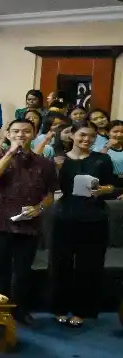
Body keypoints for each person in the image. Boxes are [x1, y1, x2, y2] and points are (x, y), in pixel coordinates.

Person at [0, 118, 57, 326]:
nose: (21, 135)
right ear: (8, 134)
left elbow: (51, 194)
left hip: (29, 224)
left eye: (26, 131)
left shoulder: (44, 163)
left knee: (22, 271)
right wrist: (10, 153)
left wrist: (39, 208)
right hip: (0, 222)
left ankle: (19, 309)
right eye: (15, 131)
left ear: (34, 134)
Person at [50, 123, 116, 326]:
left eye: (92, 136)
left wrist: (102, 190)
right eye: (82, 135)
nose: (87, 139)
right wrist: (56, 169)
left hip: (94, 217)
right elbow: (51, 187)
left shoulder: (102, 159)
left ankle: (82, 311)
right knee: (61, 264)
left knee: (89, 266)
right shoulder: (60, 160)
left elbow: (112, 186)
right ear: (72, 135)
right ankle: (59, 308)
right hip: (64, 216)